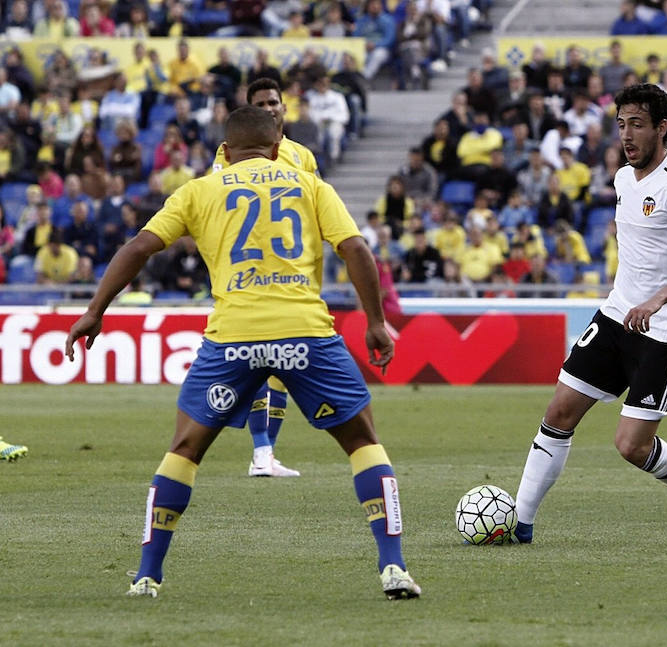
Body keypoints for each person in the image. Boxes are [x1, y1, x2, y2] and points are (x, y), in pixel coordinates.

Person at [64, 105, 421, 601]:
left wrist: (94, 310)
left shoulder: (199, 190)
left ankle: (147, 575)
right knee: (363, 442)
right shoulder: (309, 183)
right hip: (306, 334)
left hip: (234, 338)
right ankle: (393, 567)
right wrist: (377, 323)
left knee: (185, 449)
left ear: (224, 152)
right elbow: (357, 249)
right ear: (278, 147)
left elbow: (139, 247)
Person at [512, 84, 667, 548]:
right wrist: (631, 299)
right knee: (559, 412)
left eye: (637, 124)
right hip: (617, 315)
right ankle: (519, 524)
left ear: (662, 128)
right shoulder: (623, 178)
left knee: (631, 446)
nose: (627, 135)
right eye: (621, 124)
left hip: (665, 330)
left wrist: (655, 301)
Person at [211, 79, 320, 478]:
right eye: (261, 104)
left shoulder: (302, 157)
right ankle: (259, 450)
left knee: (281, 370)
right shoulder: (229, 156)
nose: (270, 108)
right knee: (257, 362)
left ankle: (264, 454)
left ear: (285, 108)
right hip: (247, 275)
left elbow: (314, 209)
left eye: (274, 102)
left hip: (290, 276)